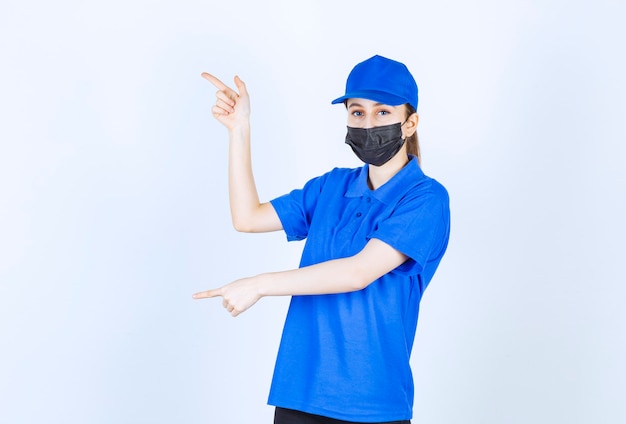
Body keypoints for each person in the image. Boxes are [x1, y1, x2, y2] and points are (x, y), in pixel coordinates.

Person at [194, 55, 451, 424]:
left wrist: (259, 284)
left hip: (371, 402)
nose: (367, 122)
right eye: (357, 112)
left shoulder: (425, 199)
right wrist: (239, 131)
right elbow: (247, 217)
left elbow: (358, 272)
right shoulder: (331, 187)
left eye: (382, 113)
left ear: (409, 123)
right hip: (300, 391)